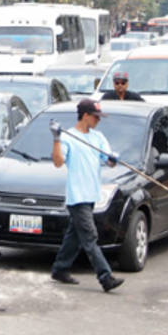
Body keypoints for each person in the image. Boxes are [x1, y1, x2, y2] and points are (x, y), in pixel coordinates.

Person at [50, 99, 125, 292]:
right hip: (77, 197)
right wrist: (56, 139)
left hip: (91, 195)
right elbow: (58, 162)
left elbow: (108, 162)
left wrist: (112, 159)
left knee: (74, 236)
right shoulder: (68, 137)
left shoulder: (98, 137)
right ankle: (105, 277)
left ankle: (60, 269)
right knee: (90, 237)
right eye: (96, 117)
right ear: (85, 116)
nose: (98, 121)